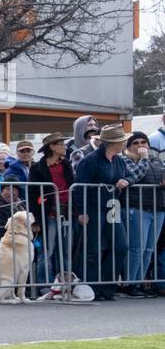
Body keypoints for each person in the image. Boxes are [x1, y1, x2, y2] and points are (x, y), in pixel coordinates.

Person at [73, 124, 130, 301]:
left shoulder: (119, 160)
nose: (124, 143)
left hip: (112, 208)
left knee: (121, 246)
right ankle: (92, 288)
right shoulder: (89, 161)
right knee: (93, 249)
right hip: (93, 208)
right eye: (121, 141)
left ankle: (107, 286)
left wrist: (126, 180)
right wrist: (81, 211)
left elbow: (130, 175)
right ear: (112, 143)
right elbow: (79, 187)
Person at [27, 132, 73, 288]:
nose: (64, 147)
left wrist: (78, 211)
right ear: (52, 147)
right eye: (60, 144)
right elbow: (32, 196)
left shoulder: (66, 164)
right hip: (48, 213)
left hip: (67, 211)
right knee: (47, 250)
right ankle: (45, 285)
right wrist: (35, 220)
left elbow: (73, 187)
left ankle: (65, 285)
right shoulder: (37, 168)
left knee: (66, 251)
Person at [122, 131, 165, 297]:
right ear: (128, 146)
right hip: (136, 207)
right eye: (136, 143)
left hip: (157, 207)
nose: (141, 146)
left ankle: (139, 282)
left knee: (148, 249)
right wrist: (144, 158)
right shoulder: (125, 160)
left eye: (143, 142)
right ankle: (129, 284)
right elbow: (133, 176)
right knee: (136, 249)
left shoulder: (156, 160)